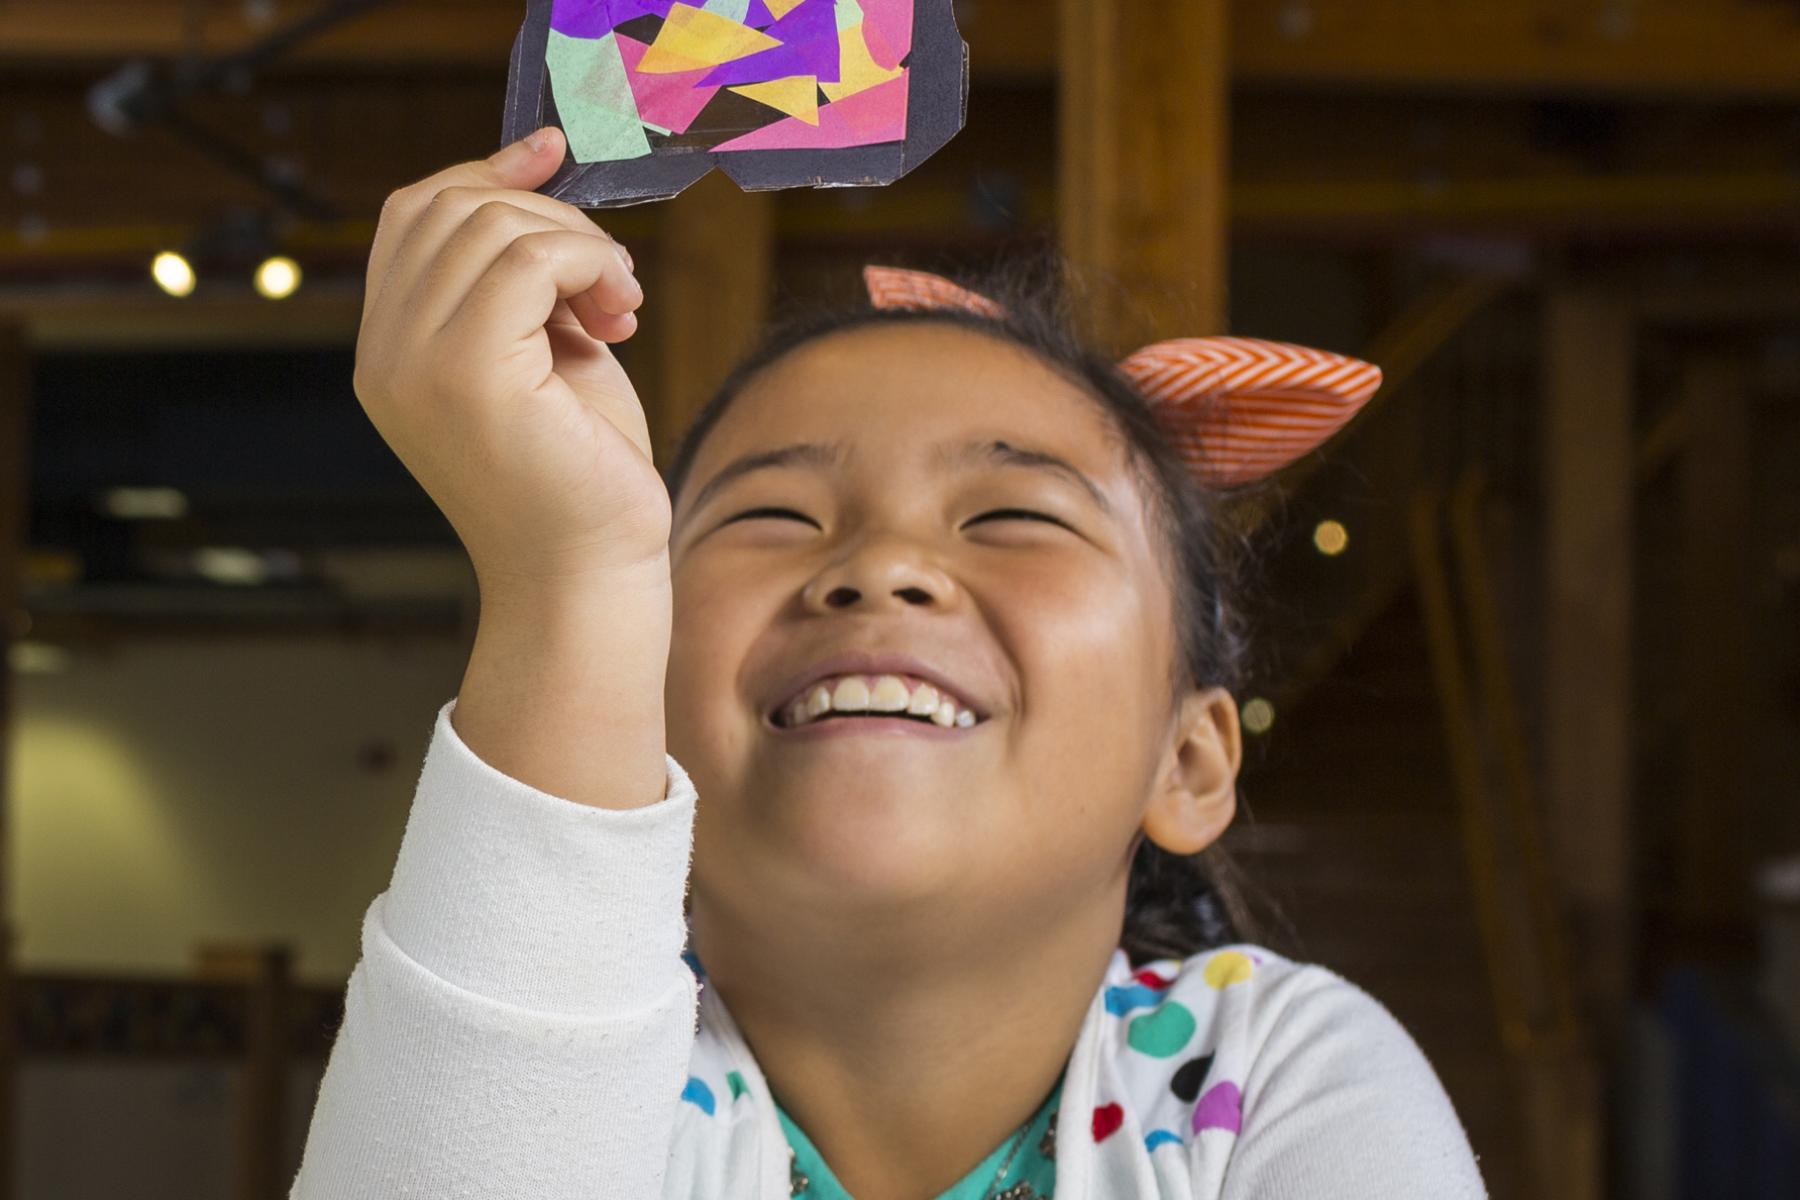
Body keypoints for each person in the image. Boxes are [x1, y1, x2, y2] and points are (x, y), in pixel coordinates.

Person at [290, 126, 1488, 1200]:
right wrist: (577, 579)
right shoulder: (585, 1073)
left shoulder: (1278, 1075)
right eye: (775, 517)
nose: (881, 568)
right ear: (638, 708)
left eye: (1015, 517)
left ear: (1187, 760)